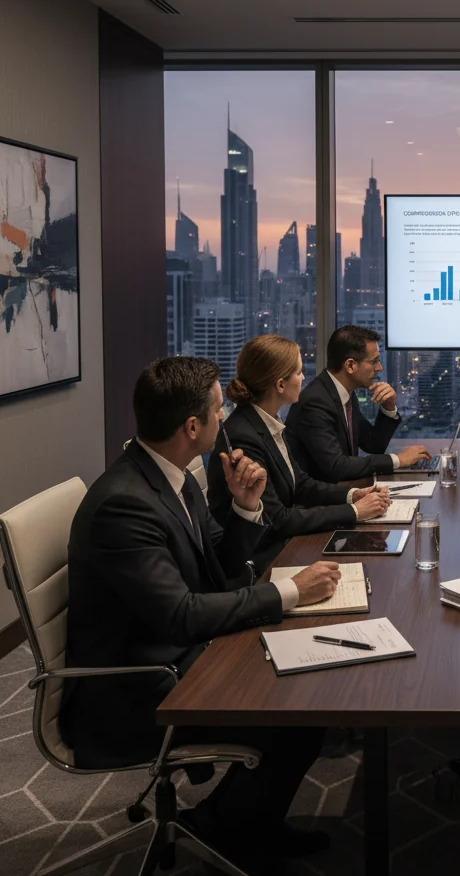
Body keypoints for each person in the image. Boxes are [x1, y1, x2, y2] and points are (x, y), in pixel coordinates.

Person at [61, 357, 343, 870]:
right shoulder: (125, 505)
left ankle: (238, 823)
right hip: (135, 686)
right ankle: (230, 830)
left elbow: (218, 572)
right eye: (218, 410)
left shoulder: (171, 475)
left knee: (306, 694)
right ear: (192, 427)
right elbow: (183, 615)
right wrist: (289, 594)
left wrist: (244, 507)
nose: (225, 420)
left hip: (175, 652)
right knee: (300, 706)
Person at [207, 334, 392, 570]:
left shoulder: (265, 420)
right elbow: (278, 520)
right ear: (280, 385)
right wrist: (355, 512)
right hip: (259, 562)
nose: (304, 378)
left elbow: (300, 483)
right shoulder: (243, 436)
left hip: (282, 546)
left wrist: (353, 495)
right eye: (298, 372)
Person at [285, 325, 431, 482]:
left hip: (342, 490)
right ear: (350, 366)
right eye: (374, 362)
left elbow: (373, 445)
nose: (379, 368)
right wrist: (397, 460)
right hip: (319, 501)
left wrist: (388, 408)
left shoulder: (344, 393)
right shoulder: (315, 402)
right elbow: (337, 466)